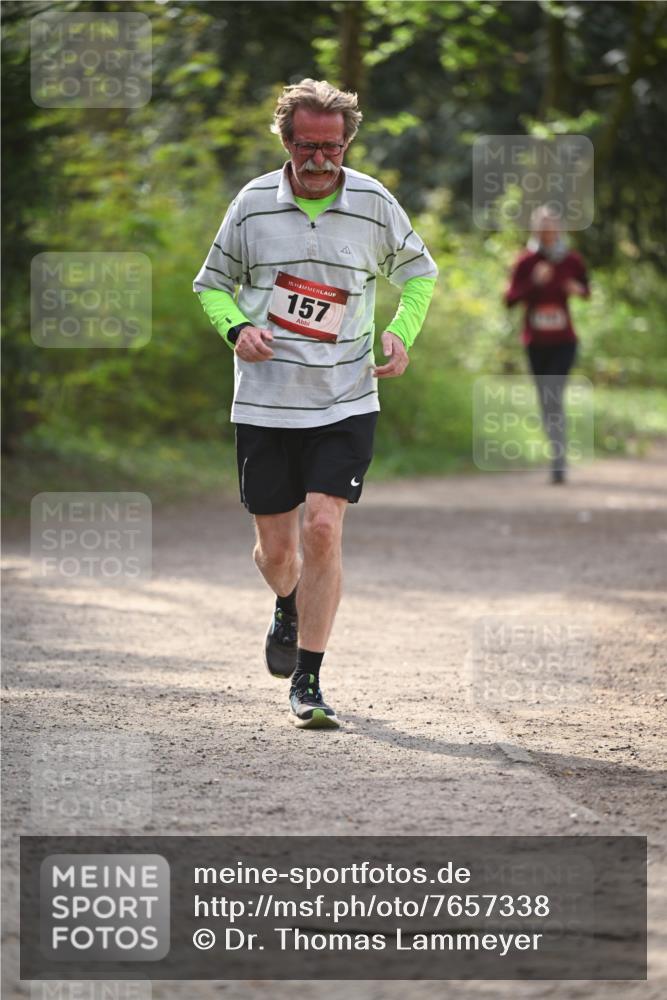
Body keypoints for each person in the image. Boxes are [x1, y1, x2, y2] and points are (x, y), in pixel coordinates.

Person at [193, 79, 437, 729]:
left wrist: (399, 330)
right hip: (267, 404)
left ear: (347, 143)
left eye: (332, 146)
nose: (320, 159)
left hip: (345, 397)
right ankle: (286, 598)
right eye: (307, 145)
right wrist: (236, 328)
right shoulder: (250, 206)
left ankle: (308, 680)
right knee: (276, 554)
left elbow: (419, 273)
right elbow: (211, 285)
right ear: (285, 140)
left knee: (323, 527)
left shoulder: (371, 202)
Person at [504, 206, 589, 483]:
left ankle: (559, 460)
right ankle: (557, 451)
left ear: (558, 229)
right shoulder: (526, 262)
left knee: (554, 394)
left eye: (551, 225)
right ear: (534, 229)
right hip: (535, 342)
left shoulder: (571, 260)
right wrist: (533, 282)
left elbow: (586, 289)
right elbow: (510, 300)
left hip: (564, 341)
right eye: (541, 225)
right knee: (546, 400)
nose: (547, 230)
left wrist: (577, 289)